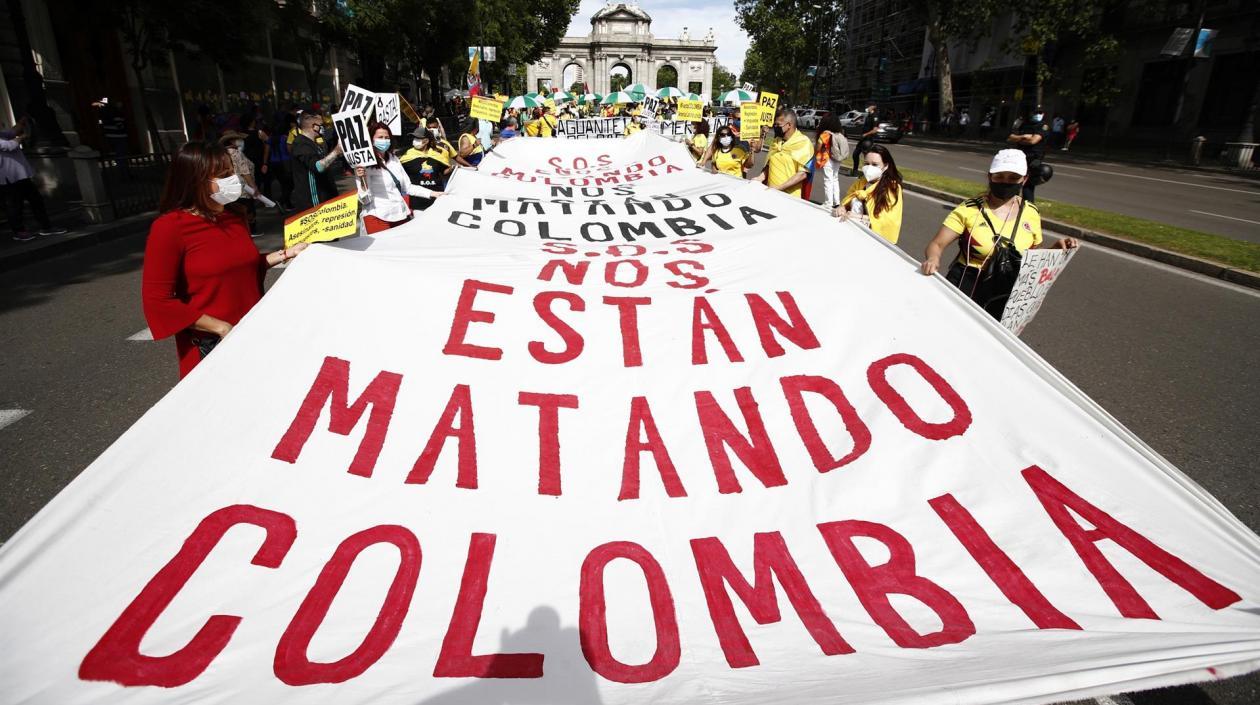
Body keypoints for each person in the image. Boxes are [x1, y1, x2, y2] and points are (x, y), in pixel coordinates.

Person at [142, 142, 305, 378]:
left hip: (253, 334)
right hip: (212, 346)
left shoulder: (234, 217)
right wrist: (221, 328)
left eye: (232, 172)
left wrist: (285, 254)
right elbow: (158, 301)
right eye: (225, 175)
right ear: (196, 181)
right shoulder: (169, 228)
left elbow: (242, 268)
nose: (234, 179)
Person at [919, 149, 1078, 318]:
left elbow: (1031, 257)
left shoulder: (1031, 212)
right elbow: (937, 244)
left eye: (1013, 178)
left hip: (1005, 295)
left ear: (1024, 180)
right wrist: (933, 258)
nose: (1005, 182)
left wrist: (1055, 249)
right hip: (966, 287)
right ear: (990, 177)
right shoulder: (969, 209)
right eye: (999, 176)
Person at [357, 121, 441, 233]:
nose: (384, 140)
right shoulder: (364, 164)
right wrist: (363, 182)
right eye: (380, 137)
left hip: (400, 214)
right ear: (371, 140)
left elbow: (408, 187)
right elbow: (365, 200)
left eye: (387, 137)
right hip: (377, 216)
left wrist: (433, 193)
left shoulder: (394, 159)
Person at [0, 120, 66, 241]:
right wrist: (22, 136)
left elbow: (11, 132)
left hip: (21, 175)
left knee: (36, 200)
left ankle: (46, 227)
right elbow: (10, 145)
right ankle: (19, 231)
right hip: (8, 178)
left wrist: (21, 124)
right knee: (15, 206)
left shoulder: (2, 134)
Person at [836, 143, 903, 244]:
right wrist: (842, 208)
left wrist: (860, 217)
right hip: (854, 234)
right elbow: (847, 201)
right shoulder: (860, 182)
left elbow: (889, 221)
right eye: (866, 163)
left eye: (875, 164)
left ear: (885, 166)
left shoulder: (892, 188)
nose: (869, 167)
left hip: (876, 240)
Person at [289, 111, 343, 212]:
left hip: (325, 199)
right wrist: (336, 151)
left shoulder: (312, 143)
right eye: (321, 125)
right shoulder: (301, 144)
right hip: (314, 204)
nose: (323, 128)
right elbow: (318, 167)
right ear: (314, 126)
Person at [753, 108, 813, 198]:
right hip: (771, 193)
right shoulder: (776, 141)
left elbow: (803, 173)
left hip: (790, 197)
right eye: (775, 124)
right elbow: (769, 165)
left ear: (789, 125)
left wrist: (779, 188)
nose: (775, 127)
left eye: (778, 125)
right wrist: (760, 178)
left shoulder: (803, 142)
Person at [400, 126, 453, 208]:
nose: (415, 140)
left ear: (426, 141)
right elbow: (400, 176)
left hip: (438, 199)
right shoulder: (407, 156)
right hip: (418, 202)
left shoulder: (437, 154)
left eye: (418, 138)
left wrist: (453, 169)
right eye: (414, 138)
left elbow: (443, 172)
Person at [1007, 107, 1049, 202]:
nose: (1038, 115)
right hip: (1019, 157)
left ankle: (1029, 209)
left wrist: (1020, 139)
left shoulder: (1043, 126)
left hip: (1033, 159)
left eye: (1040, 112)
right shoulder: (1023, 124)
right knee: (1014, 184)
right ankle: (1011, 205)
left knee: (1028, 187)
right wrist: (1024, 136)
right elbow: (1010, 137)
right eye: (1036, 112)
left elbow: (1033, 141)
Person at [815, 112, 850, 210]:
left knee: (828, 180)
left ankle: (828, 202)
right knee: (835, 179)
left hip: (827, 159)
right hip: (837, 159)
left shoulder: (826, 134)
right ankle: (837, 202)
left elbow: (818, 146)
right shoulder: (839, 133)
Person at [852, 103, 878, 176]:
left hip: (868, 140)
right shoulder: (868, 116)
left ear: (873, 107)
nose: (867, 108)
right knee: (855, 154)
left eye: (869, 106)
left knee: (867, 158)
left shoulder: (875, 116)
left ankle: (867, 174)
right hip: (863, 139)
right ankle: (855, 171)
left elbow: (875, 130)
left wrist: (866, 134)